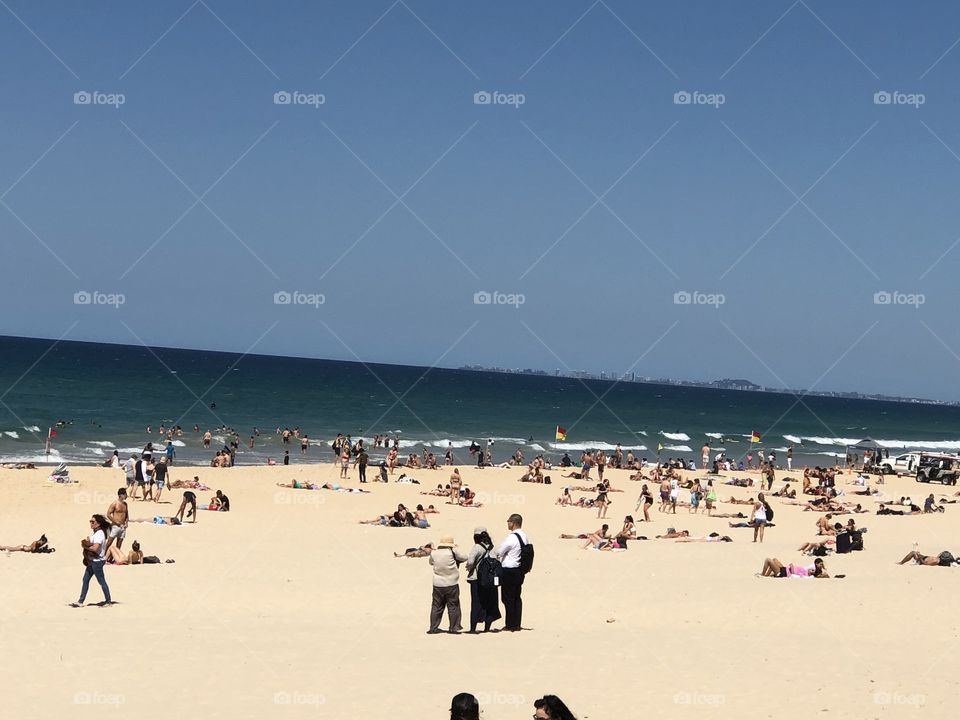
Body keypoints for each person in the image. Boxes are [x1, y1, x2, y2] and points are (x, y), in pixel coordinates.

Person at [495, 513, 528, 632]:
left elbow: (500, 551)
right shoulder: (524, 536)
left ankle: (510, 624)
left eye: (508, 521)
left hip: (509, 570)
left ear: (513, 523)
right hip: (519, 570)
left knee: (507, 598)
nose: (507, 523)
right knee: (516, 598)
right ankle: (516, 623)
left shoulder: (512, 537)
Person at [464, 526, 502, 633]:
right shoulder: (493, 547)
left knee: (476, 603)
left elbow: (470, 562)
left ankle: (473, 629)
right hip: (491, 579)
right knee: (490, 602)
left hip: (477, 579)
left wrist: (468, 568)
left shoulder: (476, 547)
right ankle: (487, 628)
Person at [427, 535, 467, 634]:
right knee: (453, 606)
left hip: (438, 584)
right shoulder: (452, 552)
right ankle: (454, 627)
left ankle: (433, 627)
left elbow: (431, 562)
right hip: (451, 583)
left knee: (436, 606)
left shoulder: (434, 553)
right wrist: (456, 549)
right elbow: (465, 557)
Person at [70, 514, 112, 607]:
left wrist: (86, 545)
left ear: (98, 524)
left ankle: (108, 601)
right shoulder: (96, 533)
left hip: (97, 562)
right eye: (90, 521)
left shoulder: (99, 534)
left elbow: (95, 548)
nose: (91, 523)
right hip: (92, 561)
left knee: (101, 581)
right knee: (85, 580)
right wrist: (89, 542)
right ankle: (80, 601)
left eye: (93, 522)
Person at [103, 487, 129, 555]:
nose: (127, 495)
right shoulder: (115, 504)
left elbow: (126, 515)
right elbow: (108, 514)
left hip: (123, 526)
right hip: (115, 526)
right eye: (125, 494)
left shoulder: (125, 504)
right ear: (121, 495)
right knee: (109, 542)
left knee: (119, 543)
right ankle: (102, 555)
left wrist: (126, 523)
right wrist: (115, 522)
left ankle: (115, 557)